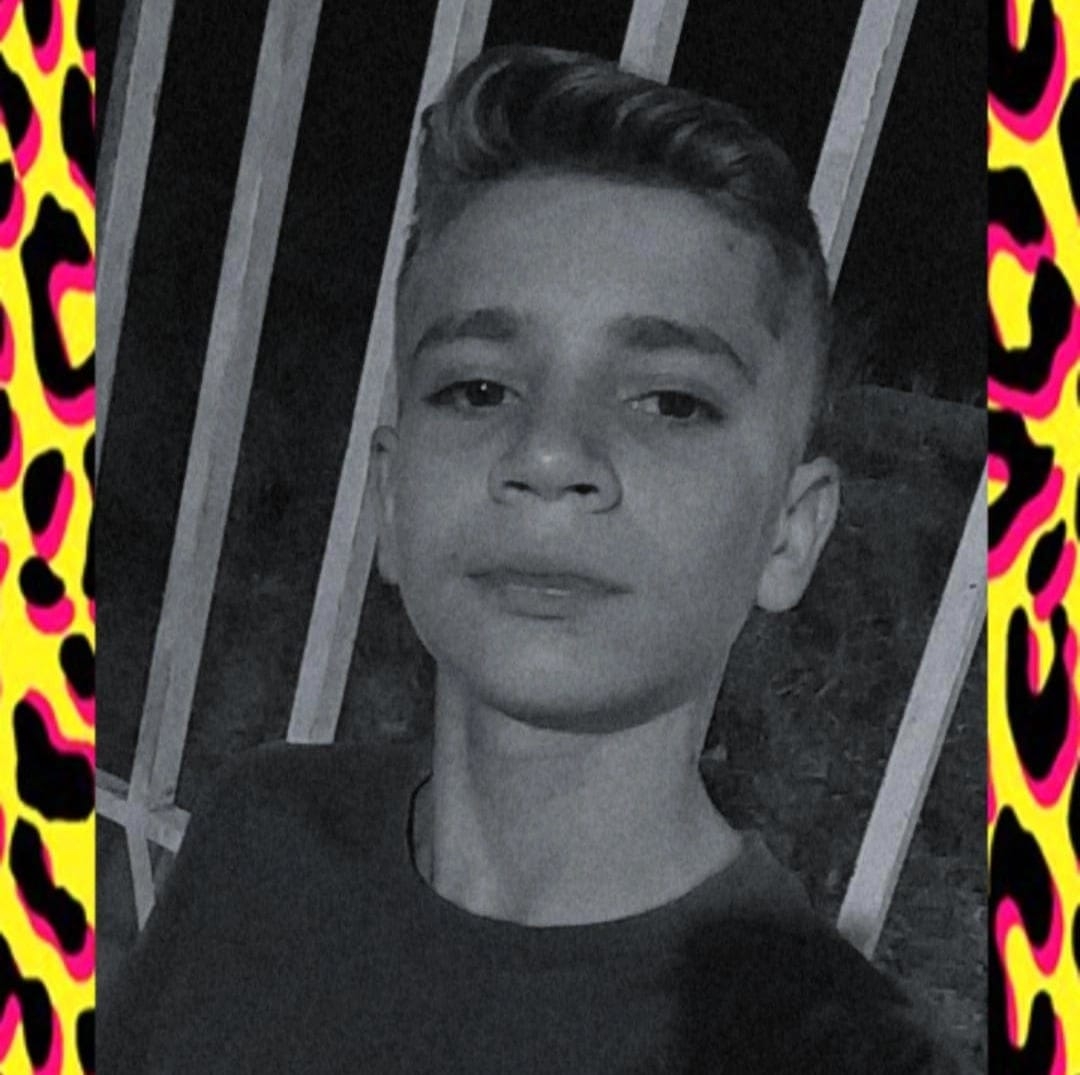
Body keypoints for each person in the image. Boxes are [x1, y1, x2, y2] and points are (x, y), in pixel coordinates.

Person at [100, 46, 962, 1073]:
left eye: (670, 401)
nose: (550, 453)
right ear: (390, 495)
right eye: (478, 389)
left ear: (789, 531)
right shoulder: (260, 834)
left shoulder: (834, 1054)